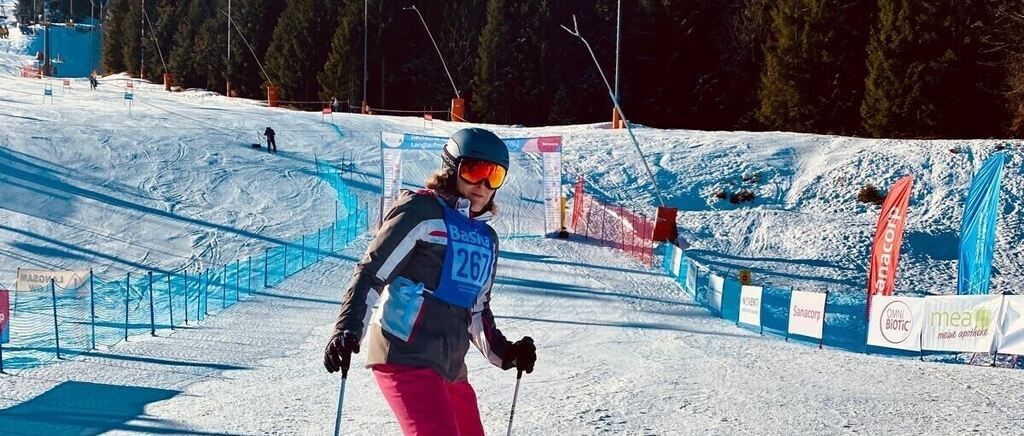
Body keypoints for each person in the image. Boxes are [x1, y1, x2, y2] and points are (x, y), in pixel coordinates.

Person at [324, 127, 537, 435]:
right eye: (474, 170)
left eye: (494, 176)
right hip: (405, 354)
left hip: (449, 367)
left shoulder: (486, 238)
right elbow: (372, 273)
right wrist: (347, 329)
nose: (482, 184)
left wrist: (506, 353)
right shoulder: (421, 211)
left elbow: (476, 310)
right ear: (452, 169)